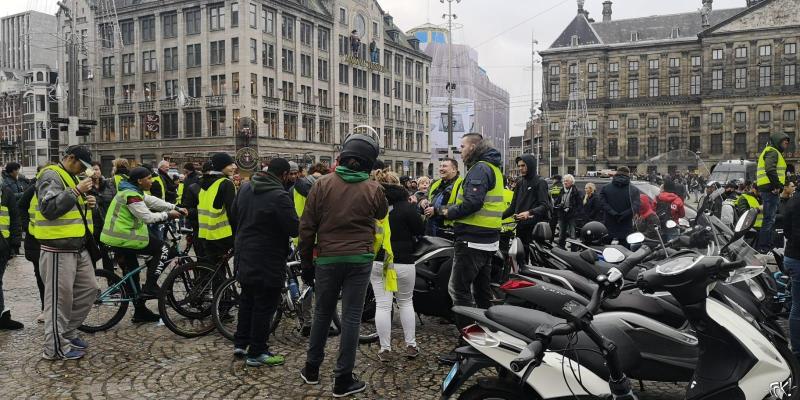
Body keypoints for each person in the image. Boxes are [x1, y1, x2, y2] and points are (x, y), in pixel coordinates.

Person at [298, 133, 386, 397]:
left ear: (343, 156)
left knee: (322, 314)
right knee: (350, 318)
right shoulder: (374, 188)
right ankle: (343, 379)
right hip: (359, 259)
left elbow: (306, 228)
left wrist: (306, 263)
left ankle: (311, 369)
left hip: (326, 258)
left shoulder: (322, 184)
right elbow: (381, 214)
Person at [436, 133, 504, 364]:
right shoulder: (493, 168)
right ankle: (488, 339)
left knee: (458, 291)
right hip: (487, 240)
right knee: (482, 292)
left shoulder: (480, 168)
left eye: (463, 146)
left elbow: (473, 203)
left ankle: (470, 344)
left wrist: (446, 211)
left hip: (473, 241)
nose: (460, 150)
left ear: (474, 146)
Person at [232, 158, 297, 367]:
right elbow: (294, 228)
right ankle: (257, 352)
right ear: (285, 175)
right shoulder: (280, 196)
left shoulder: (245, 187)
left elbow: (234, 214)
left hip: (244, 252)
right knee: (264, 305)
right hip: (267, 257)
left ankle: (241, 343)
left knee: (247, 299)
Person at [36, 145, 99, 360]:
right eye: (82, 165)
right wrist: (77, 191)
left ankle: (67, 333)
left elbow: (70, 208)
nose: (84, 170)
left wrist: (88, 202)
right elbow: (49, 209)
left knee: (90, 289)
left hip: (77, 248)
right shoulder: (52, 175)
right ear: (71, 158)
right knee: (58, 302)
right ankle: (54, 348)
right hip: (57, 249)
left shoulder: (70, 177)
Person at [100, 167, 186, 323]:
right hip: (123, 238)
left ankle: (139, 312)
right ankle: (151, 285)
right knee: (164, 248)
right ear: (140, 181)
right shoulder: (131, 194)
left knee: (132, 273)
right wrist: (168, 215)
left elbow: (151, 200)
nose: (151, 181)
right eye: (149, 178)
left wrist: (174, 207)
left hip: (117, 238)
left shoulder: (132, 191)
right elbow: (147, 217)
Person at [370, 169, 423, 361]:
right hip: (404, 260)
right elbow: (420, 229)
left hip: (379, 260)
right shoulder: (407, 207)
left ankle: (385, 349)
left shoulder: (372, 206)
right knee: (406, 302)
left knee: (383, 305)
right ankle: (411, 345)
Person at [502, 155, 550, 263]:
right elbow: (512, 207)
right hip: (521, 227)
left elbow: (545, 205)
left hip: (535, 229)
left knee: (535, 261)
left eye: (523, 165)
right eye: (519, 166)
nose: (520, 168)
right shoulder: (519, 183)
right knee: (520, 259)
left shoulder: (540, 182)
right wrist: (497, 218)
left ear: (531, 165)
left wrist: (529, 212)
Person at [198, 153, 237, 267]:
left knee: (213, 268)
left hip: (206, 233)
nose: (234, 167)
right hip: (222, 234)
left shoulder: (204, 181)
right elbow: (232, 212)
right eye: (230, 164)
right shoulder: (226, 183)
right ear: (221, 166)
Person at [756, 132, 790, 253]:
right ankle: (764, 247)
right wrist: (778, 185)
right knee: (769, 220)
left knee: (769, 219)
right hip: (771, 189)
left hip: (769, 188)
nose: (786, 145)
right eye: (785, 142)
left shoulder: (772, 151)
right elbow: (770, 169)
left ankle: (765, 246)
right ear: (778, 141)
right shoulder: (772, 152)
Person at [19, 172, 44, 323]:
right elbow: (21, 205)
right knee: (41, 275)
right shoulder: (33, 189)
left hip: (54, 238)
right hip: (35, 239)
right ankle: (45, 308)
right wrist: (27, 226)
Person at [780, 184, 800, 360]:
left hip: (792, 256)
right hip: (798, 258)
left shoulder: (792, 201)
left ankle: (796, 349)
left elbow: (786, 231)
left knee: (797, 305)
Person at [0, 175, 22, 330]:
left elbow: (15, 218)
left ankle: (2, 316)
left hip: (2, 245)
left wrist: (14, 243)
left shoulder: (6, 192)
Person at [599, 167, 641, 247]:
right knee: (626, 250)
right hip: (626, 223)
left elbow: (602, 203)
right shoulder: (634, 189)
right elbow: (636, 206)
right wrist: (624, 214)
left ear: (616, 174)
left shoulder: (605, 188)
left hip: (609, 223)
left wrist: (613, 213)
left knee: (604, 248)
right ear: (628, 175)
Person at [87, 162, 116, 271]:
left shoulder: (109, 185)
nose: (95, 172)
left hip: (106, 224)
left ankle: (111, 280)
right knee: (91, 254)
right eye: (93, 169)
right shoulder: (85, 187)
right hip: (92, 225)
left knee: (107, 254)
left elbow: (114, 202)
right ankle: (92, 279)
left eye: (97, 169)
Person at [424, 159, 463, 236]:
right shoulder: (435, 183)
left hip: (448, 231)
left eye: (444, 166)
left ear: (454, 169)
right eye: (440, 166)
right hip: (431, 229)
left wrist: (436, 210)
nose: (441, 169)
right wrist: (422, 202)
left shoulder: (461, 184)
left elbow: (461, 207)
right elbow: (425, 197)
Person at [655, 177, 686, 241]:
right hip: (673, 224)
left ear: (664, 188)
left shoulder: (657, 198)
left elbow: (653, 211)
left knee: (661, 245)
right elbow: (682, 214)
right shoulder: (677, 199)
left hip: (660, 224)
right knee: (673, 245)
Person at [555, 174, 582, 247]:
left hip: (572, 215)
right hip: (562, 215)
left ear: (572, 182)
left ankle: (573, 249)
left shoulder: (576, 191)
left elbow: (579, 205)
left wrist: (572, 209)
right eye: (564, 181)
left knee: (572, 233)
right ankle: (561, 248)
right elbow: (557, 201)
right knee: (561, 233)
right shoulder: (561, 190)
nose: (564, 182)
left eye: (566, 181)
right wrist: (558, 205)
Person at [775, 177, 796, 247]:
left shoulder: (793, 201)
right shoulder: (776, 200)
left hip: (790, 235)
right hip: (777, 234)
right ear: (785, 188)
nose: (794, 188)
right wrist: (783, 216)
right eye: (792, 186)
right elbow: (770, 215)